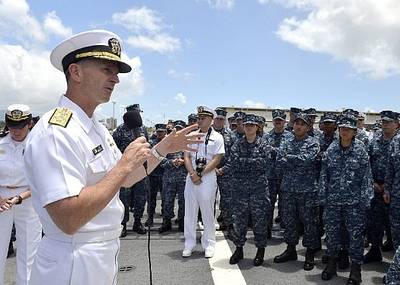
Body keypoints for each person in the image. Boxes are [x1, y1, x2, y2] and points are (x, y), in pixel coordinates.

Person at [23, 29, 202, 285]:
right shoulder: (56, 131)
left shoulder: (95, 126)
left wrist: (162, 148)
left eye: (116, 72)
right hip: (73, 261)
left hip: (101, 253)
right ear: (75, 72)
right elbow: (68, 218)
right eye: (107, 69)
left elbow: (126, 179)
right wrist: (122, 166)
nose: (116, 79)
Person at [319, 115, 373, 285]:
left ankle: (355, 269)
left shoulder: (360, 151)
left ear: (354, 132)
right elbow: (324, 175)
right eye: (342, 128)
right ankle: (332, 264)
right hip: (333, 201)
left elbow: (366, 177)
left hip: (354, 203)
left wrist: (365, 200)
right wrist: (323, 195)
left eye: (348, 129)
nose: (344, 132)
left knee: (355, 237)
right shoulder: (332, 149)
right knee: (332, 234)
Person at [0, 104, 42, 285]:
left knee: (28, 253)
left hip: (28, 199)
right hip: (1, 199)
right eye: (12, 126)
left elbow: (41, 181)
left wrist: (19, 198)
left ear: (30, 123)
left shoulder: (38, 145)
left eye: (20, 127)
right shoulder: (1, 143)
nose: (16, 131)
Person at [274, 112, 321, 271]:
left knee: (309, 223)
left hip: (307, 190)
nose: (298, 126)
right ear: (293, 125)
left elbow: (308, 160)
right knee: (289, 221)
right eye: (296, 123)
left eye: (302, 124)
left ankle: (309, 254)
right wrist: (295, 159)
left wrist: (290, 158)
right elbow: (280, 162)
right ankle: (290, 249)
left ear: (308, 127)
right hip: (288, 189)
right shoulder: (286, 141)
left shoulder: (314, 143)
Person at [228, 114, 271, 266]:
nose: (249, 127)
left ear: (257, 127)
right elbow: (233, 163)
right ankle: (239, 249)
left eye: (252, 125)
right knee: (239, 222)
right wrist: (253, 163)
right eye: (246, 125)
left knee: (260, 222)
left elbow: (264, 163)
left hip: (259, 190)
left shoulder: (264, 144)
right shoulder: (237, 144)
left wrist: (244, 162)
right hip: (240, 191)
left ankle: (260, 251)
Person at [182, 106, 224, 258]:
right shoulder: (191, 135)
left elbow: (217, 159)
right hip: (191, 176)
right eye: (199, 118)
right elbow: (186, 157)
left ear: (211, 120)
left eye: (203, 118)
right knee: (190, 211)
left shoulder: (218, 137)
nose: (199, 120)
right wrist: (193, 173)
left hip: (207, 177)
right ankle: (189, 243)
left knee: (207, 211)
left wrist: (200, 173)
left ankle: (209, 243)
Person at [364, 111, 398, 264]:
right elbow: (366, 164)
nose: (385, 124)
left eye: (389, 122)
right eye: (383, 122)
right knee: (374, 222)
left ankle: (394, 259)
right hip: (376, 187)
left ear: (397, 124)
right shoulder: (374, 142)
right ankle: (374, 251)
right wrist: (372, 182)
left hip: (395, 190)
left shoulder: (397, 143)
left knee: (394, 224)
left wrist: (388, 186)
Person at [113, 109, 148, 236]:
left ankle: (138, 222)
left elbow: (146, 144)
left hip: (140, 168)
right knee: (123, 198)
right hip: (125, 169)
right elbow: (114, 150)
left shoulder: (142, 128)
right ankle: (123, 224)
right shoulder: (119, 130)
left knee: (141, 197)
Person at [263, 109, 292, 232]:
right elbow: (264, 151)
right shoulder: (267, 136)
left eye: (280, 120)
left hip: (286, 175)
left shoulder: (291, 137)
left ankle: (285, 230)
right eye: (276, 121)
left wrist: (275, 150)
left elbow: (290, 153)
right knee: (268, 204)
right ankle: (267, 229)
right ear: (273, 122)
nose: (278, 122)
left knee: (285, 205)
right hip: (270, 176)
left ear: (284, 121)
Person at [158, 120, 188, 233]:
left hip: (183, 178)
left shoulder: (189, 142)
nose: (179, 131)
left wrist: (183, 161)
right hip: (169, 178)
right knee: (167, 201)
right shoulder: (167, 142)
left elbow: (194, 158)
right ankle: (167, 222)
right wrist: (171, 162)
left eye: (181, 129)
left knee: (183, 202)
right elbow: (160, 159)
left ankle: (182, 222)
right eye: (177, 129)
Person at [146, 123, 167, 227]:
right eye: (158, 131)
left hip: (164, 174)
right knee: (151, 198)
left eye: (161, 132)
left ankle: (165, 219)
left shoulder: (168, 144)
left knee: (165, 198)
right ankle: (150, 218)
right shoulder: (151, 143)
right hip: (153, 174)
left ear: (165, 132)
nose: (160, 133)